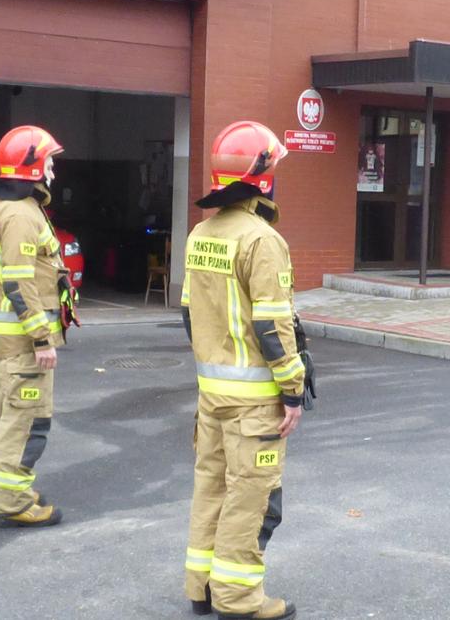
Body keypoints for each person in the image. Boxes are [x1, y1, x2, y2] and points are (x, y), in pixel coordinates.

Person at [180, 122, 310, 620]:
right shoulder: (262, 239)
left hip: (211, 395)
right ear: (263, 176)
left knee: (211, 487)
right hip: (254, 403)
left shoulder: (201, 233)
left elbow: (189, 313)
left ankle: (202, 588)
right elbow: (273, 325)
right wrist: (292, 391)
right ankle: (238, 599)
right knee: (251, 498)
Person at [0, 125, 70, 528]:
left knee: (3, 415)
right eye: (48, 161)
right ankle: (11, 501)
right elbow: (18, 281)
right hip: (23, 342)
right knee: (26, 420)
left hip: (6, 340)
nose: (52, 168)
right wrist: (41, 338)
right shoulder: (19, 214)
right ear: (31, 166)